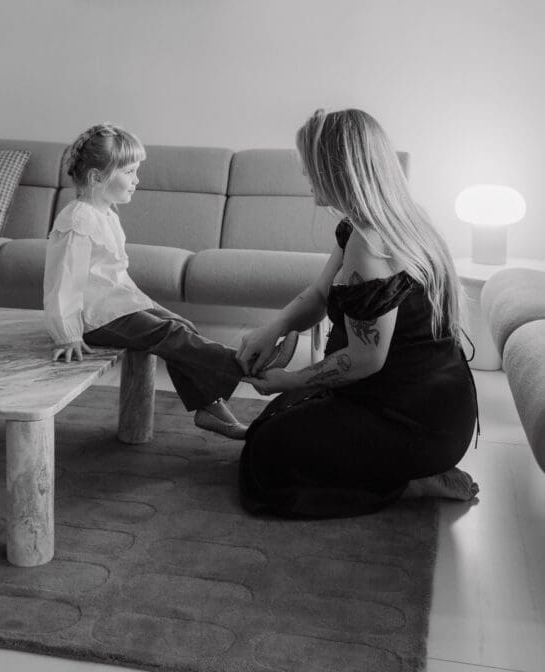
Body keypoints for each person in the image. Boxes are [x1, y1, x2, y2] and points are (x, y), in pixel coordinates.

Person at [236, 108, 479, 518]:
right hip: (424, 406)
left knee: (265, 459)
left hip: (414, 419)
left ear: (337, 171)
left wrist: (289, 379)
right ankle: (409, 468)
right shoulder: (385, 221)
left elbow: (366, 359)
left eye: (310, 167)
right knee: (271, 422)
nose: (305, 177)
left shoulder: (370, 244)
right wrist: (272, 327)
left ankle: (410, 482)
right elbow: (318, 293)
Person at [44, 123, 298, 440]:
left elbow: (112, 277)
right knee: (171, 333)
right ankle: (249, 366)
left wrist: (145, 305)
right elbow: (62, 281)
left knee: (181, 325)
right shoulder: (78, 217)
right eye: (130, 172)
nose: (137, 180)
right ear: (97, 178)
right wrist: (66, 334)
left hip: (114, 307)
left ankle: (209, 408)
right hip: (92, 318)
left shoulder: (105, 212)